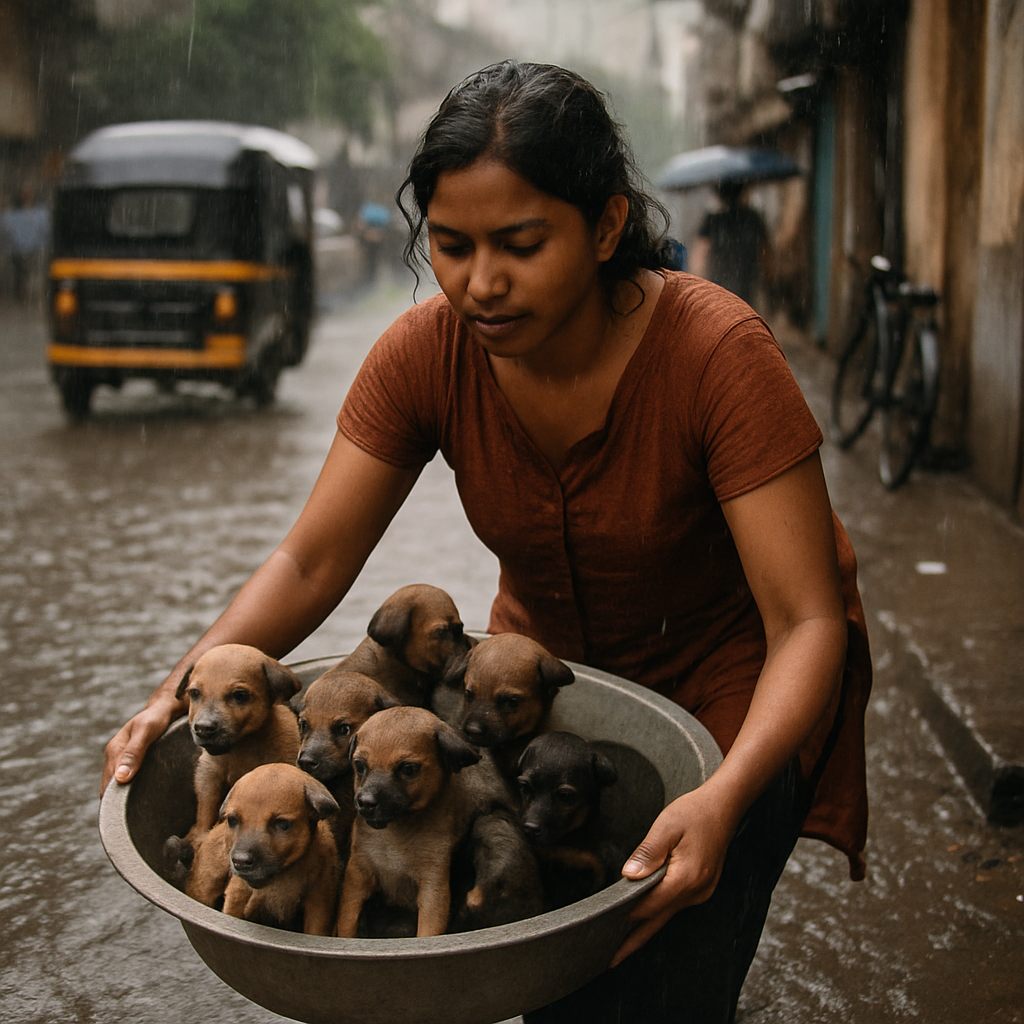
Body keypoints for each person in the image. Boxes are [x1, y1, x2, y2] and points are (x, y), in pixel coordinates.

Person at [103, 60, 871, 1022]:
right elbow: (310, 560)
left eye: (519, 243)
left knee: (667, 975)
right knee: (544, 957)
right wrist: (169, 692)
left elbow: (806, 622)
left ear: (605, 228)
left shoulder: (718, 356)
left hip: (736, 695)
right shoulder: (427, 352)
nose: (481, 283)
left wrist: (727, 799)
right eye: (453, 246)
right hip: (541, 694)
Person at [690, 180, 770, 306]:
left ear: (719, 194)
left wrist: (701, 285)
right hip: (746, 283)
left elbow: (700, 258)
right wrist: (768, 280)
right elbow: (765, 255)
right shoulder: (753, 218)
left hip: (719, 285)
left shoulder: (713, 220)